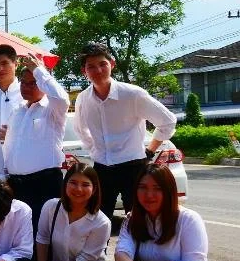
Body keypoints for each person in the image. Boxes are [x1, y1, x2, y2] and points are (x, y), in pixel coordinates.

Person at [72, 42, 178, 217]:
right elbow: (80, 129)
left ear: (112, 64)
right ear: (84, 71)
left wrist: (150, 151)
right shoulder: (83, 99)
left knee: (139, 219)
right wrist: (95, 149)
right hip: (102, 168)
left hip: (133, 167)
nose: (98, 70)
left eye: (103, 64)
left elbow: (167, 121)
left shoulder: (133, 94)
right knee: (97, 219)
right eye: (91, 67)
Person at [4, 54, 69, 231]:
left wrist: (39, 70)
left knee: (44, 233)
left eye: (33, 83)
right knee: (19, 233)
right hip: (16, 184)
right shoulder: (18, 111)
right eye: (23, 83)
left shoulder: (52, 109)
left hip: (44, 183)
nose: (26, 87)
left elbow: (62, 98)